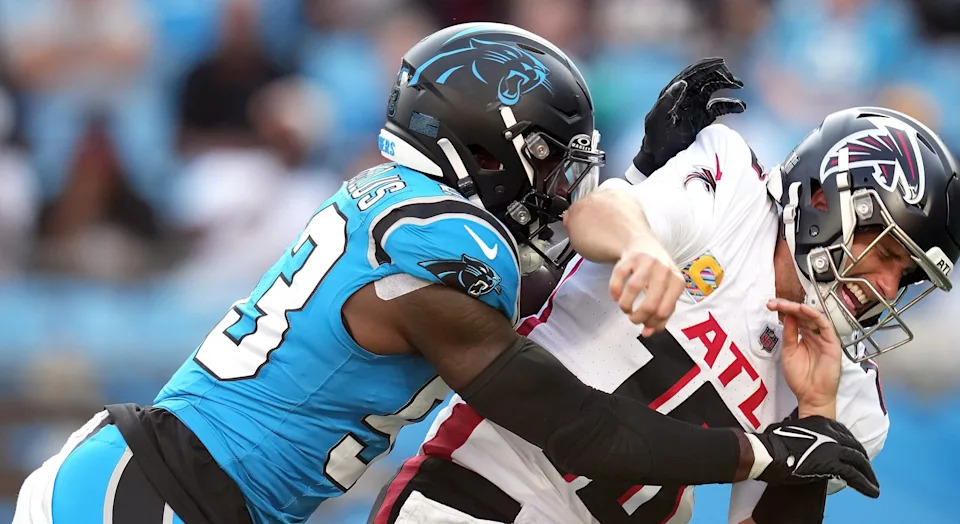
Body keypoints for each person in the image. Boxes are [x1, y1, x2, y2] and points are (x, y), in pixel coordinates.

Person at [14, 26, 877, 524]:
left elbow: (546, 316)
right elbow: (579, 426)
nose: (557, 188)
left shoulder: (402, 208)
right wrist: (766, 451)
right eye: (551, 162)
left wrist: (652, 171)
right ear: (492, 146)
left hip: (150, 480)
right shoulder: (456, 250)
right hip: (167, 497)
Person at [370, 61, 960, 523]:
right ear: (824, 199)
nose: (885, 285)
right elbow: (597, 216)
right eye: (885, 252)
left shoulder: (851, 392)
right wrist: (644, 246)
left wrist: (816, 417)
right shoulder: (733, 189)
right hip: (485, 493)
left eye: (905, 275)